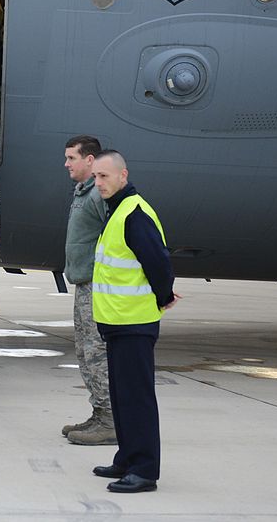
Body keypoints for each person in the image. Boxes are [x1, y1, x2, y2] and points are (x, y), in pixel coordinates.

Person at [89, 151, 178, 494]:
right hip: (117, 323)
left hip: (134, 323)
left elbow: (159, 262)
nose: (99, 184)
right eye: (95, 177)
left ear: (123, 175)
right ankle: (126, 458)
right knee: (122, 395)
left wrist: (164, 296)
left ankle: (144, 470)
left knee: (136, 397)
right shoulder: (118, 212)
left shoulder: (134, 213)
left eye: (105, 177)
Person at [61, 135, 114, 446]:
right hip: (85, 283)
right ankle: (99, 412)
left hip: (97, 284)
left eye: (71, 158)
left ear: (90, 160)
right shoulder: (84, 191)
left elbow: (119, 234)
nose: (66, 164)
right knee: (84, 352)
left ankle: (110, 420)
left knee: (96, 354)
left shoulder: (99, 195)